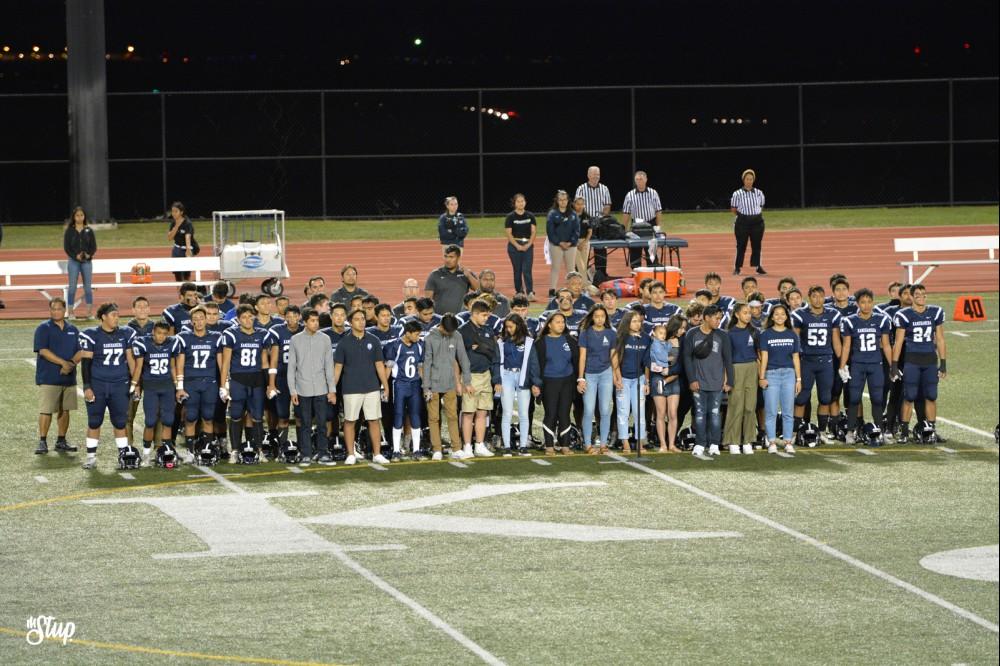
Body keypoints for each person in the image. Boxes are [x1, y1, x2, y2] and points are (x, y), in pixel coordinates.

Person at [78, 302, 138, 469]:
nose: (117, 318)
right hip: (98, 384)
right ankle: (91, 457)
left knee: (120, 422)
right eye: (113, 315)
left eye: (117, 315)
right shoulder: (91, 335)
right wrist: (87, 387)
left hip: (120, 384)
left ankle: (123, 456)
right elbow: (85, 363)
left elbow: (131, 360)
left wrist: (136, 383)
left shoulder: (126, 333)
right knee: (94, 421)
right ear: (103, 317)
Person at [219, 304, 278, 463]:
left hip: (257, 379)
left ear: (255, 317)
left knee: (257, 416)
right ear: (238, 319)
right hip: (238, 379)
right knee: (236, 415)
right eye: (244, 317)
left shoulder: (262, 334)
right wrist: (223, 385)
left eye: (250, 316)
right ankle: (235, 450)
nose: (247, 320)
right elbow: (225, 362)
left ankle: (259, 450)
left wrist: (270, 384)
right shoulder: (231, 334)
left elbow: (265, 362)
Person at [333, 309, 390, 465]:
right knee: (350, 421)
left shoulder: (374, 340)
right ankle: (351, 454)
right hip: (350, 389)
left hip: (372, 387)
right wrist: (332, 389)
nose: (361, 322)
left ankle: (377, 454)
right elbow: (337, 368)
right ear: (350, 322)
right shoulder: (343, 343)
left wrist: (385, 386)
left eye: (363, 318)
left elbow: (379, 365)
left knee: (374, 420)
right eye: (357, 319)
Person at [891, 284, 946, 444]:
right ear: (912, 296)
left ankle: (931, 430)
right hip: (912, 361)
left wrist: (943, 362)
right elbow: (898, 342)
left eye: (923, 293)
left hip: (930, 361)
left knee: (931, 396)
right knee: (909, 396)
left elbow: (940, 339)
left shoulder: (935, 312)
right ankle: (904, 432)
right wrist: (894, 365)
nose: (921, 296)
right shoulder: (904, 315)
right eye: (917, 294)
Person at [839, 289, 892, 444]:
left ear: (873, 302)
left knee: (877, 399)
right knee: (854, 399)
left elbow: (886, 345)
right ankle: (850, 432)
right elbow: (846, 346)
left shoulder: (881, 320)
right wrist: (842, 366)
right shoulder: (850, 321)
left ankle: (880, 431)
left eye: (869, 302)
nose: (866, 305)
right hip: (857, 364)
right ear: (857, 303)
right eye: (863, 302)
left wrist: (893, 365)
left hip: (876, 364)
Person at [790, 286, 842, 441]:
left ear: (824, 297)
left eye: (820, 296)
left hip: (826, 361)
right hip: (806, 361)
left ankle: (822, 432)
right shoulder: (799, 315)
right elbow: (795, 341)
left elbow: (836, 341)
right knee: (801, 398)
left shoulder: (832, 314)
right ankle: (794, 433)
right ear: (809, 298)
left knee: (825, 398)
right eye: (814, 296)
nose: (818, 299)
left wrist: (843, 363)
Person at [287, 307, 337, 465]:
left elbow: (329, 366)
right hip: (303, 389)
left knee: (322, 423)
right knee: (305, 424)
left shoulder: (325, 339)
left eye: (317, 321)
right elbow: (291, 367)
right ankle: (306, 454)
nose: (316, 324)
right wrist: (293, 391)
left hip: (322, 389)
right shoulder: (295, 340)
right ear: (305, 322)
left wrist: (332, 390)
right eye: (312, 321)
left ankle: (323, 453)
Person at [683, 305, 734, 457]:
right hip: (698, 382)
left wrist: (729, 381)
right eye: (716, 318)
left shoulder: (723, 335)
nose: (719, 321)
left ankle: (714, 444)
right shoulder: (692, 334)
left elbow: (728, 359)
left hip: (717, 383)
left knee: (715, 414)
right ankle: (700, 443)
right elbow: (687, 358)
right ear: (706, 318)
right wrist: (692, 379)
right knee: (699, 414)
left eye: (720, 318)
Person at [130, 321, 182, 466]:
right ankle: (146, 454)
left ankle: (166, 452)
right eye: (159, 333)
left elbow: (173, 367)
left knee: (168, 420)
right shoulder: (143, 343)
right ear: (153, 331)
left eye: (164, 334)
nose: (161, 336)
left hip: (167, 387)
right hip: (151, 387)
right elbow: (138, 367)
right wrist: (135, 385)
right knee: (150, 421)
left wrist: (178, 387)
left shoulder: (172, 343)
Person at [33, 297, 81, 455]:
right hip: (49, 377)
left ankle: (61, 441)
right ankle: (42, 441)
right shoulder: (43, 328)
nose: (55, 312)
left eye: (59, 309)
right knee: (46, 410)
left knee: (65, 410)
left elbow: (80, 351)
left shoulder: (73, 329)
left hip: (68, 378)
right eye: (53, 309)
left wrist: (71, 364)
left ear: (64, 310)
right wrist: (63, 363)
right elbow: (43, 351)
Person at [175, 305, 223, 459]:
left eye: (202, 318)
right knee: (190, 418)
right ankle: (190, 452)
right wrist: (180, 386)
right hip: (191, 382)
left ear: (206, 319)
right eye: (196, 319)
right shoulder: (184, 337)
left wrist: (225, 385)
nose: (199, 321)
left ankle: (206, 450)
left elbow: (221, 364)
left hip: (210, 382)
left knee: (208, 417)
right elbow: (180, 364)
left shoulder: (216, 337)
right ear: (191, 322)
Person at [528, 312, 579, 455]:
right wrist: (535, 384)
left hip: (567, 382)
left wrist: (579, 380)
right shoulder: (540, 343)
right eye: (557, 322)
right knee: (550, 413)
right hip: (549, 382)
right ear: (549, 325)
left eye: (563, 322)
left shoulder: (570, 340)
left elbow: (576, 362)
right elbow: (535, 366)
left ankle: (565, 445)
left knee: (564, 414)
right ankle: (549, 445)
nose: (561, 325)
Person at [422, 314, 472, 460]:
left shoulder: (457, 335)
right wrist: (426, 387)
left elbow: (463, 358)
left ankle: (456, 448)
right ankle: (437, 449)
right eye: (448, 331)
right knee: (433, 418)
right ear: (441, 326)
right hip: (433, 384)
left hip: (450, 382)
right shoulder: (430, 338)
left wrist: (466, 381)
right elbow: (427, 363)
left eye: (452, 332)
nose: (450, 334)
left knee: (452, 416)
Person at [457, 300, 501, 459]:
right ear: (474, 314)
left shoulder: (488, 329)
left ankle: (480, 445)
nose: (486, 318)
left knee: (483, 412)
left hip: (486, 374)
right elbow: (457, 357)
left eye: (487, 315)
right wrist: (463, 381)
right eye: (484, 315)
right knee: (468, 413)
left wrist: (481, 347)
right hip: (470, 375)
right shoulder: (463, 331)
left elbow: (494, 351)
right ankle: (467, 446)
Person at [758, 304, 801, 454]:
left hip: (789, 375)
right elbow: (764, 357)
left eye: (783, 314)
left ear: (787, 317)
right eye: (776, 314)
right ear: (771, 317)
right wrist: (762, 377)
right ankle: (771, 442)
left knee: (788, 411)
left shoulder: (792, 334)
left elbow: (796, 357)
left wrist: (798, 379)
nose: (780, 317)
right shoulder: (765, 334)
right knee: (771, 411)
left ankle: (788, 442)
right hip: (771, 375)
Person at [577, 304, 616, 454]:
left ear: (606, 317)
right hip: (590, 375)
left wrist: (616, 376)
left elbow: (613, 357)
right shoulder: (585, 333)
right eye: (597, 316)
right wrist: (581, 378)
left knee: (605, 410)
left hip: (606, 373)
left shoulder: (611, 333)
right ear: (592, 317)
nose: (600, 319)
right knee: (588, 409)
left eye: (602, 316)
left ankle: (603, 444)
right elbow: (582, 357)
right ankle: (588, 444)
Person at [384, 320, 425, 460]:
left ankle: (417, 450)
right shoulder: (395, 346)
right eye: (416, 334)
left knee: (415, 416)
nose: (418, 337)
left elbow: (420, 368)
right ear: (407, 333)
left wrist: (425, 386)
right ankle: (396, 450)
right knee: (398, 416)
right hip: (399, 384)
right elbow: (388, 368)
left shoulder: (419, 345)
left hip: (415, 384)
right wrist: (384, 387)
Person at [612, 310, 651, 453]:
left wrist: (646, 382)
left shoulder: (646, 338)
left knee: (639, 411)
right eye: (634, 321)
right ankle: (625, 442)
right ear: (627, 322)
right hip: (623, 379)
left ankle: (640, 442)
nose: (637, 324)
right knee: (623, 411)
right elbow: (615, 358)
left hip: (639, 379)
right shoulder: (620, 337)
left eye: (639, 321)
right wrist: (617, 377)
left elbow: (647, 361)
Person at [724, 303, 759, 455]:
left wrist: (761, 374)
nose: (748, 315)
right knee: (736, 406)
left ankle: (748, 441)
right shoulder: (729, 333)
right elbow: (727, 358)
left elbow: (759, 353)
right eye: (745, 312)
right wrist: (727, 378)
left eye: (749, 313)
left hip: (752, 368)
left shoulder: (754, 331)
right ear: (737, 315)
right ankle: (733, 441)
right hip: (736, 369)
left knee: (750, 406)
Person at [499, 314, 533, 456]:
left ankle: (523, 446)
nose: (508, 329)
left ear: (519, 326)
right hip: (507, 376)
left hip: (523, 377)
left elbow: (533, 363)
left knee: (524, 413)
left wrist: (535, 382)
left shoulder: (528, 341)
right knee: (507, 413)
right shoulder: (502, 341)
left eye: (511, 327)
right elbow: (497, 361)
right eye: (506, 327)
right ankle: (507, 446)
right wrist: (497, 380)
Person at [649, 319, 685, 453]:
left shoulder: (682, 341)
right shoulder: (658, 340)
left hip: (674, 379)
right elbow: (651, 360)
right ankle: (663, 444)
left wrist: (670, 372)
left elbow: (681, 362)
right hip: (658, 378)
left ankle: (672, 444)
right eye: (681, 328)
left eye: (684, 328)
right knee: (660, 413)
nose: (683, 331)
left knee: (673, 413)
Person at [575, 166, 613, 282]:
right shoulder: (581, 188)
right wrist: (586, 218)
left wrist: (602, 216)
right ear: (588, 175)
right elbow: (578, 206)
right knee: (582, 247)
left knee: (601, 248)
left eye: (598, 174)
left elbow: (607, 205)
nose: (596, 176)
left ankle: (601, 275)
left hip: (599, 222)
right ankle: (580, 274)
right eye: (594, 174)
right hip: (586, 222)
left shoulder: (604, 188)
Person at [621, 170, 663, 268]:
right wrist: (624, 229)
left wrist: (658, 227)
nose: (639, 181)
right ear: (635, 181)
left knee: (652, 253)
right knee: (635, 251)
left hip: (650, 225)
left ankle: (653, 269)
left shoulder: (653, 193)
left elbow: (658, 211)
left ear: (646, 180)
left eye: (641, 179)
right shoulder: (630, 195)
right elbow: (626, 213)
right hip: (636, 226)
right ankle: (636, 271)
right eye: (637, 179)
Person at [424, 244, 480, 315]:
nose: (447, 260)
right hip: (440, 317)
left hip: (460, 317)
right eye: (446, 256)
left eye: (451, 257)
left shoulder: (466, 273)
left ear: (458, 258)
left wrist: (469, 276)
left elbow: (478, 289)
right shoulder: (435, 274)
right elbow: (428, 299)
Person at [545, 190, 581, 298]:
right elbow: (550, 231)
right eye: (560, 200)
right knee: (555, 267)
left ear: (568, 200)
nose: (563, 202)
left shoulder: (573, 214)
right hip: (556, 245)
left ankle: (572, 290)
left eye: (564, 200)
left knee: (571, 269)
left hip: (571, 246)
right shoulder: (552, 214)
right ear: (557, 201)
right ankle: (552, 290)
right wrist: (559, 242)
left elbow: (576, 230)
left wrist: (570, 242)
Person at [730, 169, 766, 276]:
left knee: (757, 245)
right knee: (741, 245)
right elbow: (733, 209)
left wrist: (754, 215)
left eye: (751, 179)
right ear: (743, 180)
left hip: (757, 222)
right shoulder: (737, 193)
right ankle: (737, 267)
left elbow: (761, 206)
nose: (749, 181)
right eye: (747, 179)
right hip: (742, 222)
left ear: (753, 180)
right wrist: (744, 217)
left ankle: (758, 266)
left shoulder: (759, 193)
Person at [63, 206, 97, 320]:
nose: (79, 217)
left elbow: (93, 247)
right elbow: (67, 248)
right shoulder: (69, 231)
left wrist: (89, 255)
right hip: (73, 262)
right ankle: (70, 312)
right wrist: (75, 256)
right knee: (72, 287)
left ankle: (89, 313)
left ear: (84, 216)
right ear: (74, 217)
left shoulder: (89, 230)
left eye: (81, 215)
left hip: (86, 262)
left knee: (88, 288)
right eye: (77, 215)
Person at [504, 193, 537, 301]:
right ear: (514, 203)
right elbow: (509, 234)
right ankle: (519, 292)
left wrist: (528, 244)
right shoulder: (510, 217)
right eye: (518, 201)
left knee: (527, 269)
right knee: (517, 270)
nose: (520, 203)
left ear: (525, 202)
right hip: (514, 247)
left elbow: (533, 232)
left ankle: (530, 292)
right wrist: (517, 246)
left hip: (528, 245)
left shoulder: (530, 216)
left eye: (522, 201)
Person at [166, 201, 196, 282]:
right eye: (172, 211)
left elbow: (188, 237)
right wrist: (176, 226)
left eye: (176, 211)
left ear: (181, 212)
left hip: (186, 250)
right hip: (176, 250)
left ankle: (187, 289)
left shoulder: (187, 223)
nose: (173, 213)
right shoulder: (173, 223)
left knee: (186, 276)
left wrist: (188, 250)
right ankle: (179, 290)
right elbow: (169, 238)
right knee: (178, 276)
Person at [571, 196, 594, 288]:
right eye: (578, 204)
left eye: (582, 204)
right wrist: (576, 243)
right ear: (574, 204)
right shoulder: (570, 216)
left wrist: (584, 243)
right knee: (580, 264)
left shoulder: (587, 216)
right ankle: (585, 284)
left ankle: (580, 284)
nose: (580, 206)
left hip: (585, 242)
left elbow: (590, 232)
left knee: (584, 264)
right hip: (574, 243)